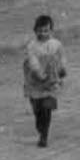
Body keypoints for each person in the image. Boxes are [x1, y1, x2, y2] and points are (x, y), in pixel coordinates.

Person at [20, 14, 67, 147]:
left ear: (51, 31)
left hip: (51, 80)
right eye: (40, 30)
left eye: (46, 30)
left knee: (47, 107)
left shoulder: (56, 44)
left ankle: (44, 136)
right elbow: (32, 61)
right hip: (35, 80)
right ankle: (40, 126)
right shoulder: (32, 46)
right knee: (37, 108)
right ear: (35, 31)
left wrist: (62, 68)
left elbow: (62, 57)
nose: (43, 33)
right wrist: (39, 74)